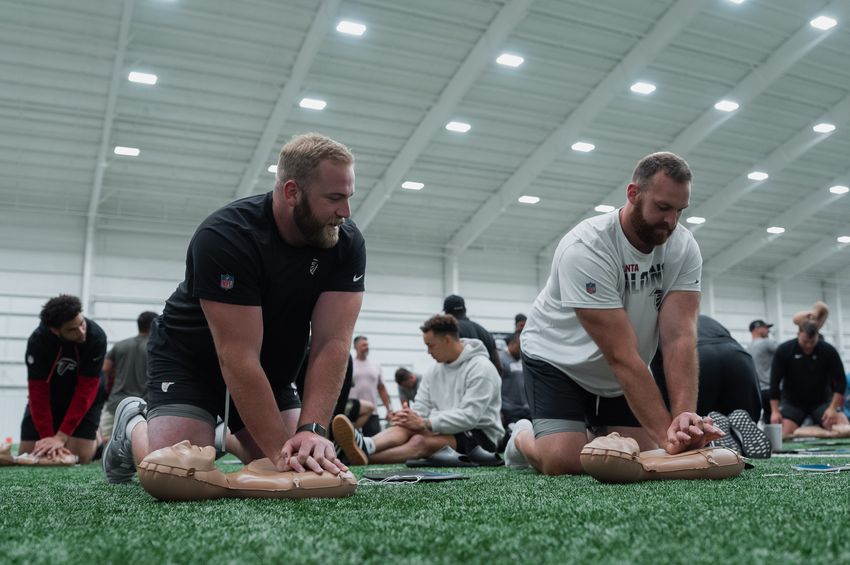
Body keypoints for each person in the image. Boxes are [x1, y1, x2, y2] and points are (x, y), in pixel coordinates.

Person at [102, 133, 364, 483]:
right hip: (192, 360)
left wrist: (312, 430)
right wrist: (280, 455)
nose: (345, 212)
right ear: (292, 192)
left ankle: (219, 434)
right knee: (178, 477)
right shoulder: (226, 236)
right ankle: (133, 424)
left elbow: (332, 343)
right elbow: (237, 357)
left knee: (298, 458)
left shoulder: (345, 243)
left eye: (348, 197)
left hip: (270, 369)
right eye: (334, 198)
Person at [504, 152, 722, 475]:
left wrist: (683, 421)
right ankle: (521, 435)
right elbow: (621, 354)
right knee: (564, 461)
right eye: (663, 208)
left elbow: (679, 338)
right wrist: (669, 439)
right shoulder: (586, 249)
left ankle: (592, 434)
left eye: (680, 211)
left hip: (623, 368)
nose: (672, 222)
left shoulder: (684, 247)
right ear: (633, 194)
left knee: (642, 455)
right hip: (559, 359)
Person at [333, 314, 503, 465]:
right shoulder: (433, 371)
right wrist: (407, 417)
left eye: (431, 345)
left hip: (480, 436)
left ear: (447, 340)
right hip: (445, 427)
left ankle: (355, 456)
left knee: (420, 441)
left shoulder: (482, 368)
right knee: (408, 425)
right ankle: (366, 444)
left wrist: (426, 423)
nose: (428, 352)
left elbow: (469, 417)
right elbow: (420, 409)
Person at [19, 294, 107, 464]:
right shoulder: (38, 341)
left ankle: (96, 438)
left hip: (86, 395)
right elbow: (38, 392)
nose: (81, 332)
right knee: (30, 454)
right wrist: (47, 439)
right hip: (52, 394)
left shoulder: (96, 337)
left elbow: (85, 391)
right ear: (55, 330)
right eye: (72, 330)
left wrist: (60, 437)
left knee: (80, 457)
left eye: (81, 323)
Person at [651, 315, 761, 422]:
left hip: (699, 357)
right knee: (746, 421)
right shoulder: (701, 318)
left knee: (695, 427)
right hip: (738, 357)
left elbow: (661, 379)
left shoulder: (655, 329)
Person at [770, 321, 848, 436]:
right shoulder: (784, 350)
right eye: (805, 341)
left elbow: (841, 381)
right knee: (781, 435)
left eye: (812, 342)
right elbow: (774, 382)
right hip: (793, 403)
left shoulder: (828, 350)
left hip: (822, 402)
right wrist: (775, 411)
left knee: (843, 425)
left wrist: (832, 408)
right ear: (798, 334)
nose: (808, 346)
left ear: (817, 336)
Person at [99, 311, 158, 442]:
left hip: (116, 403)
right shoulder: (157, 348)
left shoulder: (120, 345)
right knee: (141, 440)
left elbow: (104, 369)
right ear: (155, 326)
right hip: (145, 405)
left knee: (104, 441)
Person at [442, 294, 502, 373]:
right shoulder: (485, 332)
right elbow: (499, 367)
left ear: (446, 313)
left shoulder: (451, 331)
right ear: (465, 310)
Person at [348, 335, 393, 436]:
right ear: (356, 347)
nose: (367, 347)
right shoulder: (350, 364)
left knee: (373, 444)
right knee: (349, 443)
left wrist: (389, 410)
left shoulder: (375, 365)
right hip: (353, 411)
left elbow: (382, 389)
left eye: (367, 345)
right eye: (363, 345)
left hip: (372, 413)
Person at [748, 319, 778, 423]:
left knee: (767, 417)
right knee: (778, 418)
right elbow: (785, 352)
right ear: (757, 329)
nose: (768, 331)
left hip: (759, 391)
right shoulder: (767, 342)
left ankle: (770, 438)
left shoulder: (748, 347)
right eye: (766, 328)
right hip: (772, 389)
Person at [499, 333, 530, 425]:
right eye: (520, 346)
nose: (522, 350)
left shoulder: (524, 360)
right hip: (508, 408)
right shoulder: (501, 358)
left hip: (525, 408)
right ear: (512, 344)